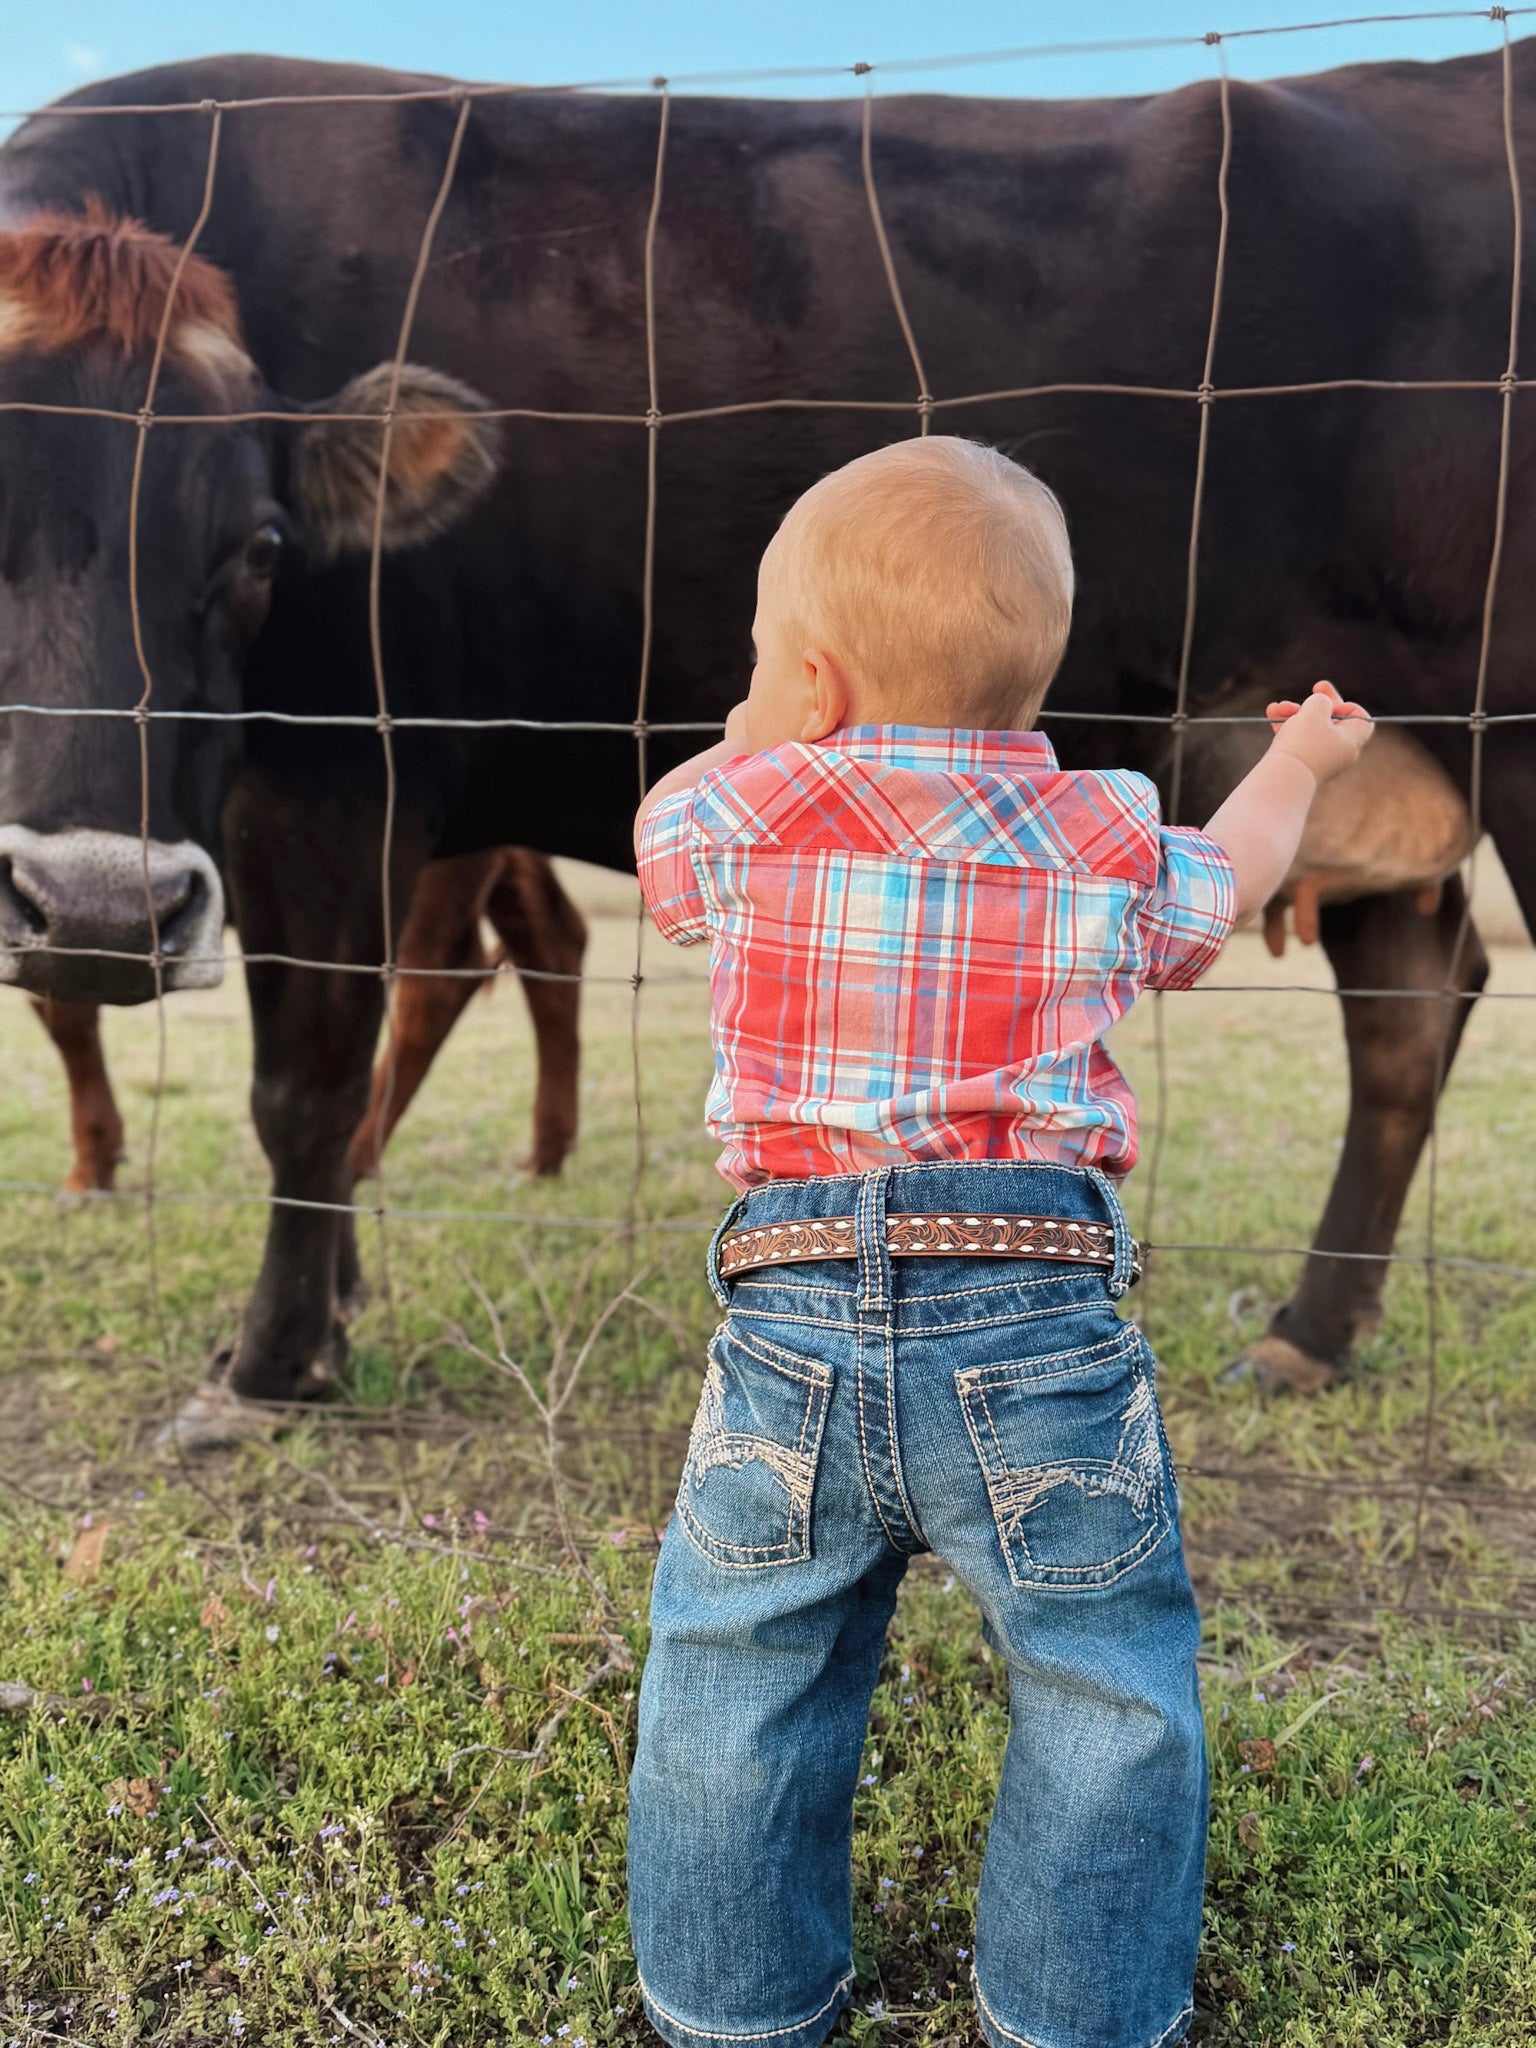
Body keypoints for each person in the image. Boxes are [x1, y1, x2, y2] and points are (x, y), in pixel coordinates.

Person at [626, 435, 1372, 2048]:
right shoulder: (1099, 834)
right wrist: (1301, 765)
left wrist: (759, 733)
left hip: (789, 1317)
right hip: (1035, 1313)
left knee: (737, 1667)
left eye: (767, 669)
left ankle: (733, 2013)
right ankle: (1077, 2019)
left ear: (807, 683)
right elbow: (1225, 884)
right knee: (1105, 1680)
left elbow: (666, 838)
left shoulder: (730, 819)